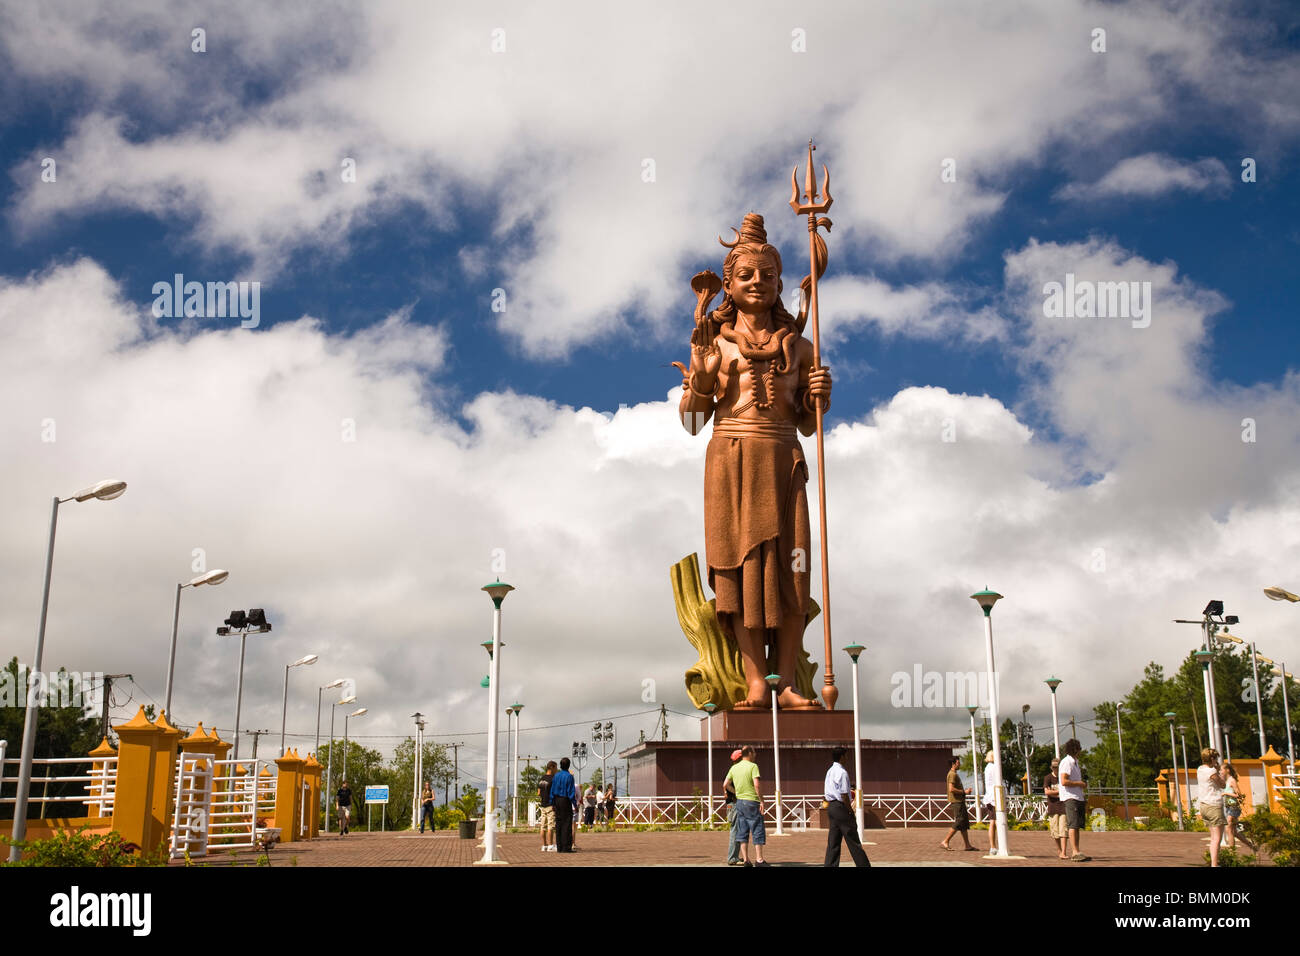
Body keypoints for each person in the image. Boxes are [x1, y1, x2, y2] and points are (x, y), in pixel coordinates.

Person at [674, 213, 832, 709]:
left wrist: (818, 396)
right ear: (729, 284)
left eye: (767, 275)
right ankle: (755, 682)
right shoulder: (714, 343)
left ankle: (785, 682)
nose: (757, 283)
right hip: (731, 460)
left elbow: (809, 423)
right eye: (746, 275)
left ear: (781, 284)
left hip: (784, 459)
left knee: (792, 571)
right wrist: (700, 380)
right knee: (739, 575)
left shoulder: (802, 347)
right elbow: (692, 420)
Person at [823, 747, 870, 866]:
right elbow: (844, 795)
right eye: (846, 756)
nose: (847, 758)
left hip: (831, 807)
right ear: (842, 757)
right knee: (853, 840)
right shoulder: (842, 772)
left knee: (833, 842)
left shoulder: (830, 771)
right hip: (841, 807)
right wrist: (850, 812)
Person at [723, 745, 768, 865]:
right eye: (754, 752)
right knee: (757, 829)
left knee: (742, 831)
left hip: (740, 802)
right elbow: (757, 785)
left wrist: (736, 792)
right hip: (752, 801)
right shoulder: (753, 766)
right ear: (750, 753)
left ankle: (746, 859)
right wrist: (762, 800)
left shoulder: (734, 768)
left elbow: (725, 784)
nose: (755, 755)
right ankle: (759, 859)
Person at [1059, 738, 1089, 862]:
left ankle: (1077, 850)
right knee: (1073, 824)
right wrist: (1079, 783)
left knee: (1077, 825)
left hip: (1077, 796)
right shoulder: (1067, 762)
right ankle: (1075, 851)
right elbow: (1064, 781)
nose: (1080, 751)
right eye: (1079, 748)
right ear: (1075, 749)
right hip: (1070, 797)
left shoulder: (1075, 762)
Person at [1197, 748, 1226, 867]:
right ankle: (1214, 864)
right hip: (1214, 805)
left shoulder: (1200, 769)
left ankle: (1214, 862)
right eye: (1216, 758)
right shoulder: (1212, 772)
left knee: (1213, 837)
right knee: (1216, 839)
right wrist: (1219, 771)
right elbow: (1223, 785)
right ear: (1212, 759)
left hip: (1204, 805)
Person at [940, 755, 976, 851]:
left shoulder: (954, 774)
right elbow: (951, 789)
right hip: (957, 802)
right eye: (958, 762)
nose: (959, 764)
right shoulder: (952, 774)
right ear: (953, 764)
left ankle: (967, 845)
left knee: (963, 823)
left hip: (959, 801)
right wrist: (965, 792)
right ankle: (946, 841)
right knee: (959, 821)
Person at [550, 757, 578, 853]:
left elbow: (552, 790)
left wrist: (552, 802)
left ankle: (559, 847)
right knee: (567, 824)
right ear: (569, 765)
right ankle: (566, 847)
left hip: (557, 800)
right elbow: (571, 792)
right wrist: (575, 804)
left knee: (558, 824)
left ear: (560, 765)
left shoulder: (556, 776)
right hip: (565, 800)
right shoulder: (569, 776)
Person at [1044, 758, 1067, 860]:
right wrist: (1058, 792)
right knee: (1055, 831)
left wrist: (1054, 792)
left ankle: (1064, 852)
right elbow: (1047, 792)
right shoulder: (1048, 778)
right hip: (1053, 807)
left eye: (1057, 767)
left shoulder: (1063, 777)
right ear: (1051, 767)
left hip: (1063, 806)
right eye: (1053, 767)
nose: (1055, 769)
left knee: (1064, 830)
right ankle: (1059, 850)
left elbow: (1066, 790)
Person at [1222, 761, 1249, 850]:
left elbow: (1239, 795)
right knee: (1234, 832)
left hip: (1234, 807)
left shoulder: (1232, 780)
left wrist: (1226, 793)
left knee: (1229, 828)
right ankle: (1252, 846)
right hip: (1228, 807)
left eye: (1222, 769)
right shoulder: (1226, 781)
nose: (1221, 771)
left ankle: (1231, 851)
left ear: (1227, 770)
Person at [723, 749, 742, 865]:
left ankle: (735, 856)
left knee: (736, 829)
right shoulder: (735, 770)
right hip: (734, 803)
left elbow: (724, 787)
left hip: (730, 803)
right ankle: (732, 857)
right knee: (735, 830)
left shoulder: (731, 770)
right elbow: (725, 785)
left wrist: (727, 793)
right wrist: (736, 793)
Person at [982, 750, 1000, 852]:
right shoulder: (993, 767)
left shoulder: (987, 767)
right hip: (994, 797)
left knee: (992, 822)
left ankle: (993, 846)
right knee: (997, 821)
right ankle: (997, 845)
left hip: (989, 796)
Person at [538, 761, 557, 852]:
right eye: (556, 768)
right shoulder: (553, 778)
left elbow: (538, 792)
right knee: (551, 826)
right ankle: (550, 845)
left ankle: (544, 845)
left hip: (542, 805)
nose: (557, 770)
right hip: (550, 805)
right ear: (552, 767)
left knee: (543, 826)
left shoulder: (542, 778)